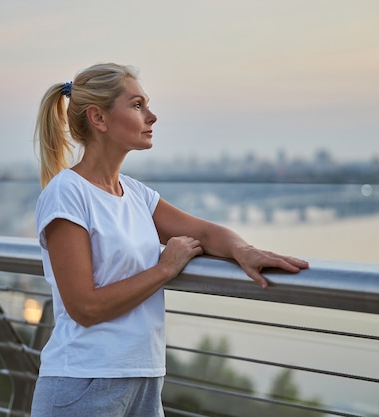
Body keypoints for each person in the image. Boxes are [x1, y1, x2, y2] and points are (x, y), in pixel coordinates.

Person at [30, 62, 309, 417]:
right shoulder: (66, 194)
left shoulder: (134, 194)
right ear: (98, 118)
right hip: (83, 384)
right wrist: (165, 269)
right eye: (137, 105)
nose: (152, 116)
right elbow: (84, 308)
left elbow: (205, 233)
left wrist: (245, 251)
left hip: (143, 380)